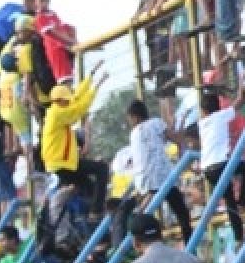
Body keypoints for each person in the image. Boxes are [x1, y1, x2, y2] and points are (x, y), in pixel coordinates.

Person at [41, 64, 109, 218]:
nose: (68, 102)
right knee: (101, 169)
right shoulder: (58, 113)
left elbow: (76, 97)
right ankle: (96, 211)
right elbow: (80, 108)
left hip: (58, 164)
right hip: (62, 163)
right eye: (66, 100)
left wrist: (90, 76)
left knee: (89, 187)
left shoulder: (56, 109)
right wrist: (97, 86)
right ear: (59, 100)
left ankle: (93, 218)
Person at [125, 100, 192, 242]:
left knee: (148, 210)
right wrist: (183, 131)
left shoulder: (134, 134)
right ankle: (190, 245)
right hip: (163, 178)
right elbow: (175, 138)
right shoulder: (156, 123)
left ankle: (136, 225)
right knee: (182, 213)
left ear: (135, 117)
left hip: (144, 181)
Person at [199, 92, 245, 246]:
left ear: (203, 111)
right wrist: (243, 94)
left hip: (207, 170)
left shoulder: (202, 123)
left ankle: (239, 238)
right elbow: (238, 104)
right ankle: (243, 201)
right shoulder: (221, 116)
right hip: (221, 165)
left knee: (229, 199)